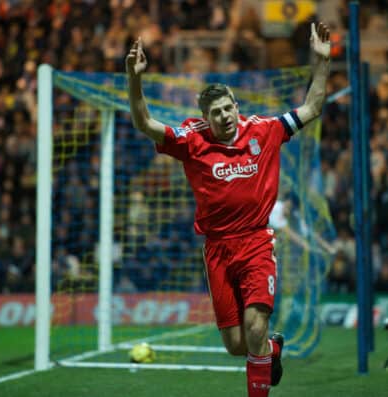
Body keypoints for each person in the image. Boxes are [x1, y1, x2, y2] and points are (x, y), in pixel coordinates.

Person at [125, 22, 331, 396]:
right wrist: (134, 80)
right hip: (217, 249)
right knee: (238, 345)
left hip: (255, 243)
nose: (223, 116)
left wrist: (321, 62)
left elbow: (313, 106)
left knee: (255, 328)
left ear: (237, 106)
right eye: (215, 112)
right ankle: (274, 349)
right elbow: (144, 123)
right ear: (206, 116)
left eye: (227, 108)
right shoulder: (192, 139)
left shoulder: (265, 130)